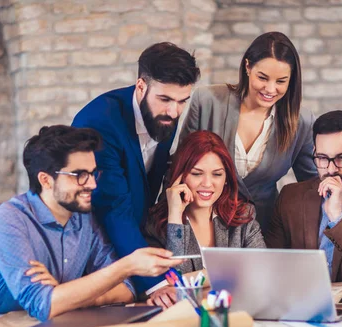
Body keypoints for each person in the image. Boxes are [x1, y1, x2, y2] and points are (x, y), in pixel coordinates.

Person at [0, 126, 181, 327]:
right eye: (79, 175)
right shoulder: (8, 222)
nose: (92, 184)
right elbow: (47, 305)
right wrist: (126, 266)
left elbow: (124, 288)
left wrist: (67, 292)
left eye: (92, 173)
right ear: (46, 179)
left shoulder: (82, 219)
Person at [72, 42, 200, 294]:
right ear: (141, 85)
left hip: (134, 243)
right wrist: (155, 285)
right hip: (94, 251)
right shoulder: (99, 123)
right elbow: (112, 208)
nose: (174, 112)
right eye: (165, 99)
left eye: (182, 101)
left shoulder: (165, 115)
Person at [179, 32, 316, 232]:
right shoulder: (207, 101)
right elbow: (178, 165)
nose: (270, 89)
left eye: (281, 81)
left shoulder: (301, 122)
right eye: (263, 77)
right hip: (203, 224)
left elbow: (312, 185)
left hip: (263, 228)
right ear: (247, 66)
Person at [144, 130, 266, 308]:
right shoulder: (156, 223)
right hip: (182, 322)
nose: (208, 183)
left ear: (226, 179)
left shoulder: (243, 216)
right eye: (196, 173)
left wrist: (190, 282)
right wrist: (175, 215)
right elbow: (171, 279)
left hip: (235, 316)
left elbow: (260, 272)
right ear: (181, 175)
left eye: (217, 174)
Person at [265, 111, 342, 286]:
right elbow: (269, 266)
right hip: (301, 302)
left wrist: (337, 217)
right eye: (322, 158)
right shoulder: (290, 197)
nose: (331, 169)